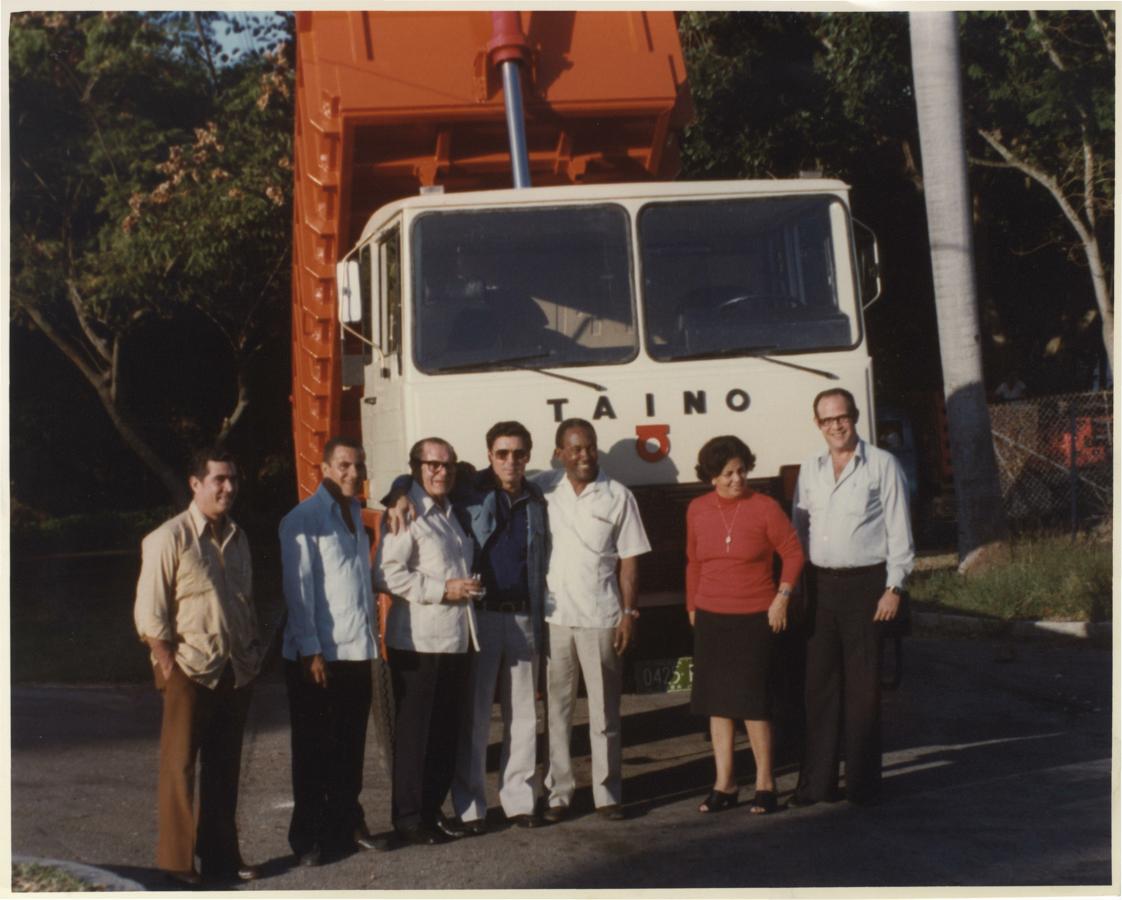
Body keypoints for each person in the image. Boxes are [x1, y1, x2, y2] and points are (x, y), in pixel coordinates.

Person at [383, 422, 550, 832]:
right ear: (490, 455)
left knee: (525, 714)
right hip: (482, 616)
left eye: (518, 453)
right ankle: (471, 807)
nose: (510, 461)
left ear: (529, 456)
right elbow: (420, 474)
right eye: (502, 453)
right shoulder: (467, 488)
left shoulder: (540, 496)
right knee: (474, 716)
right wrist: (398, 493)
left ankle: (519, 800)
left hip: (525, 614)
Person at [133, 447, 263, 886]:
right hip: (189, 669)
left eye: (233, 480)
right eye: (218, 480)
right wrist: (169, 665)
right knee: (180, 768)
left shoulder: (239, 538)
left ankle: (222, 857)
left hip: (234, 669)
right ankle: (175, 865)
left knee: (226, 769)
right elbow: (150, 613)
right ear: (196, 484)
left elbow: (244, 601)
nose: (228, 488)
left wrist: (251, 652)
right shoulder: (167, 538)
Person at [790, 388, 914, 807]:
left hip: (868, 588)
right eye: (826, 420)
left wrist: (893, 588)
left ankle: (862, 786)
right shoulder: (810, 470)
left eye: (841, 417)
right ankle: (817, 785)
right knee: (818, 689)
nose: (835, 426)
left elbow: (901, 534)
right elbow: (798, 531)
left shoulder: (882, 465)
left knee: (862, 691)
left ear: (855, 417)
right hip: (821, 588)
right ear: (817, 425)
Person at [536, 418, 651, 822]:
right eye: (576, 448)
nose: (585, 455)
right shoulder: (543, 488)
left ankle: (608, 794)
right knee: (558, 712)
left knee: (604, 712)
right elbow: (490, 480)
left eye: (590, 447)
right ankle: (558, 795)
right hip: (555, 618)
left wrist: (628, 613)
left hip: (602, 616)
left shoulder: (618, 495)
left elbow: (630, 561)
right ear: (559, 453)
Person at [686, 435, 804, 816]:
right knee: (718, 703)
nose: (737, 480)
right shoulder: (697, 510)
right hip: (711, 616)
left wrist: (782, 597)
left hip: (756, 614)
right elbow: (694, 563)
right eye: (727, 474)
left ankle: (765, 783)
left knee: (755, 703)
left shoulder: (765, 507)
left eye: (741, 471)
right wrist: (692, 605)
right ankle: (725, 784)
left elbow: (793, 552)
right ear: (710, 478)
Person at [374, 437, 480, 846]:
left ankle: (432, 810)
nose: (441, 472)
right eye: (432, 465)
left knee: (443, 732)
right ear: (416, 468)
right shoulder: (408, 513)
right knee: (416, 735)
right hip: (418, 640)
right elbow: (385, 574)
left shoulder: (450, 512)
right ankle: (408, 818)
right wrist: (442, 589)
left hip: (454, 638)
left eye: (448, 465)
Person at [279, 436, 379, 867]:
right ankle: (307, 837)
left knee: (349, 747)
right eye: (343, 466)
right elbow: (299, 590)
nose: (352, 474)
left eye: (357, 466)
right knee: (314, 749)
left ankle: (345, 823)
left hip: (357, 650)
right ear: (323, 468)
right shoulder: (302, 519)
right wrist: (310, 650)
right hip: (317, 655)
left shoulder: (357, 513)